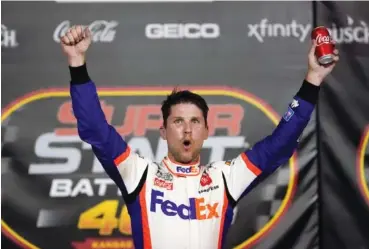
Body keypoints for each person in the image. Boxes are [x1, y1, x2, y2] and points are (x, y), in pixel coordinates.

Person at [60, 25, 339, 249]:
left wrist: (313, 79)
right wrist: (77, 64)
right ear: (163, 131)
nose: (187, 129)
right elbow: (95, 128)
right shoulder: (138, 173)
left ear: (206, 131)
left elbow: (280, 144)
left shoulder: (225, 178)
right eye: (178, 121)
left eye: (195, 121)